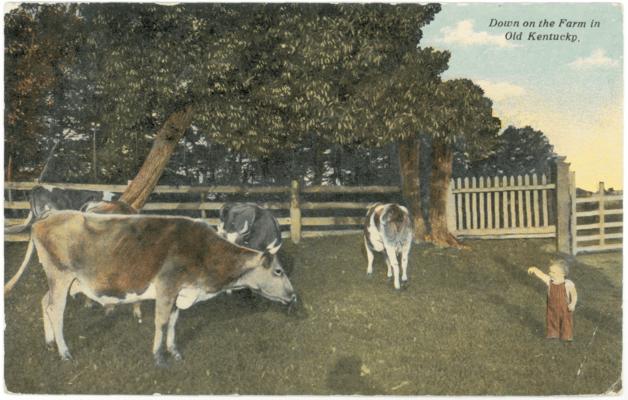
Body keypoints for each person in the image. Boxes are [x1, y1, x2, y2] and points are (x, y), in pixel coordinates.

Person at [528, 260, 578, 341]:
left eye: (553, 272)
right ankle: (553, 334)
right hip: (552, 307)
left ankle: (566, 335)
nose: (550, 273)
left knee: (565, 321)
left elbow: (574, 295)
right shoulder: (549, 281)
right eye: (550, 271)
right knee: (552, 319)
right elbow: (541, 275)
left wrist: (573, 303)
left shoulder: (568, 283)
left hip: (564, 308)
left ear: (563, 274)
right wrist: (535, 270)